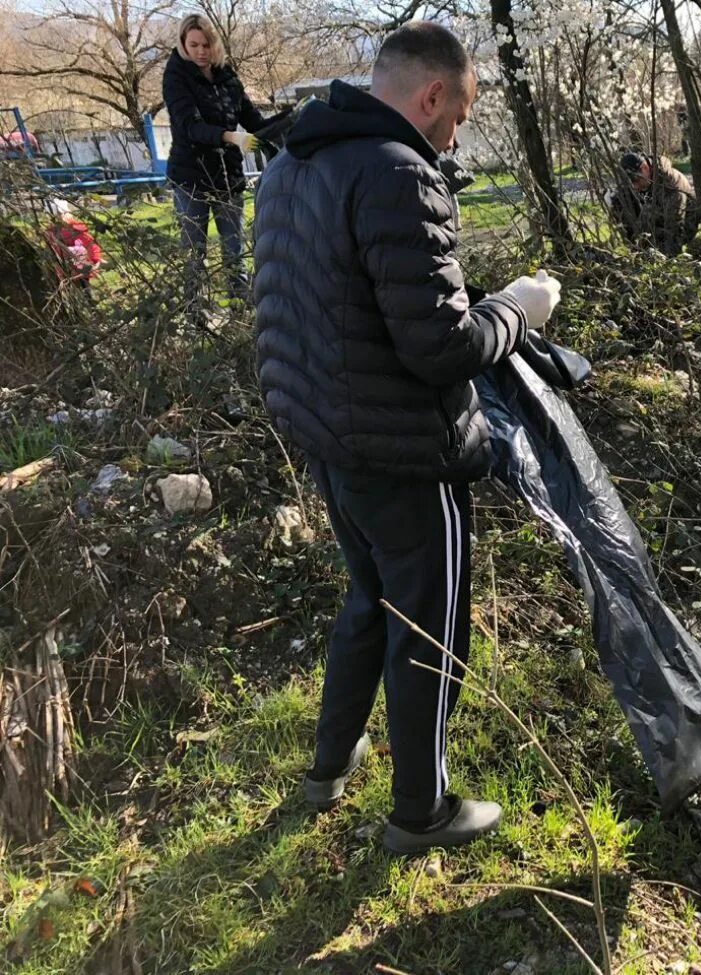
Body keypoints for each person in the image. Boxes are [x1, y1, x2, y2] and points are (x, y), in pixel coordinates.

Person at [253, 22, 563, 855]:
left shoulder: (287, 166)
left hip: (330, 441)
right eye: (458, 114)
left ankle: (328, 765)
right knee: (430, 628)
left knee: (368, 601)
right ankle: (421, 809)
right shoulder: (397, 173)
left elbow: (328, 313)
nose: (455, 133)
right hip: (406, 453)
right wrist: (519, 308)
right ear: (433, 95)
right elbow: (442, 348)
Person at [162, 13, 271, 322]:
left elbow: (253, 120)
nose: (200, 51)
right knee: (194, 253)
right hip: (191, 178)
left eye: (206, 44)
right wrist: (230, 137)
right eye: (193, 44)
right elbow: (190, 127)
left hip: (228, 177)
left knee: (234, 250)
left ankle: (242, 316)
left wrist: (285, 125)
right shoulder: (176, 76)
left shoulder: (226, 75)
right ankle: (195, 318)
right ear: (183, 44)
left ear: (215, 44)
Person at [606, 151, 699, 254]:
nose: (635, 187)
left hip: (684, 224)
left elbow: (675, 228)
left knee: (659, 245)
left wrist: (668, 261)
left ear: (645, 168)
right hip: (664, 220)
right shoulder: (649, 179)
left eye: (636, 180)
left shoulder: (671, 185)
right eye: (631, 182)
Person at [44, 197, 103, 292]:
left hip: (79, 270)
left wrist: (95, 260)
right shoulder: (51, 233)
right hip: (65, 270)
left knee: (84, 291)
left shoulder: (76, 230)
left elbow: (90, 245)